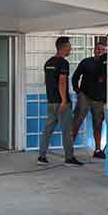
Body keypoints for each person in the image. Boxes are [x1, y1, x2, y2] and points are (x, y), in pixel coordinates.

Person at [38, 37, 84, 167]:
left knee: (48, 129)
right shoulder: (63, 63)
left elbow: (48, 82)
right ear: (63, 47)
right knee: (67, 131)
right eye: (69, 47)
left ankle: (41, 156)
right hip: (61, 102)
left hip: (51, 101)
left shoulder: (48, 63)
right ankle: (69, 158)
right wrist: (64, 100)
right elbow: (62, 82)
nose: (71, 49)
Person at [72, 42, 107, 159]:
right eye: (98, 49)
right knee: (77, 121)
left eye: (102, 49)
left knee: (98, 124)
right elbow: (75, 77)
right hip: (85, 96)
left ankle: (97, 150)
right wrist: (78, 91)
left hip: (99, 99)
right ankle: (69, 148)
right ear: (94, 50)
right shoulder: (86, 62)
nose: (100, 51)